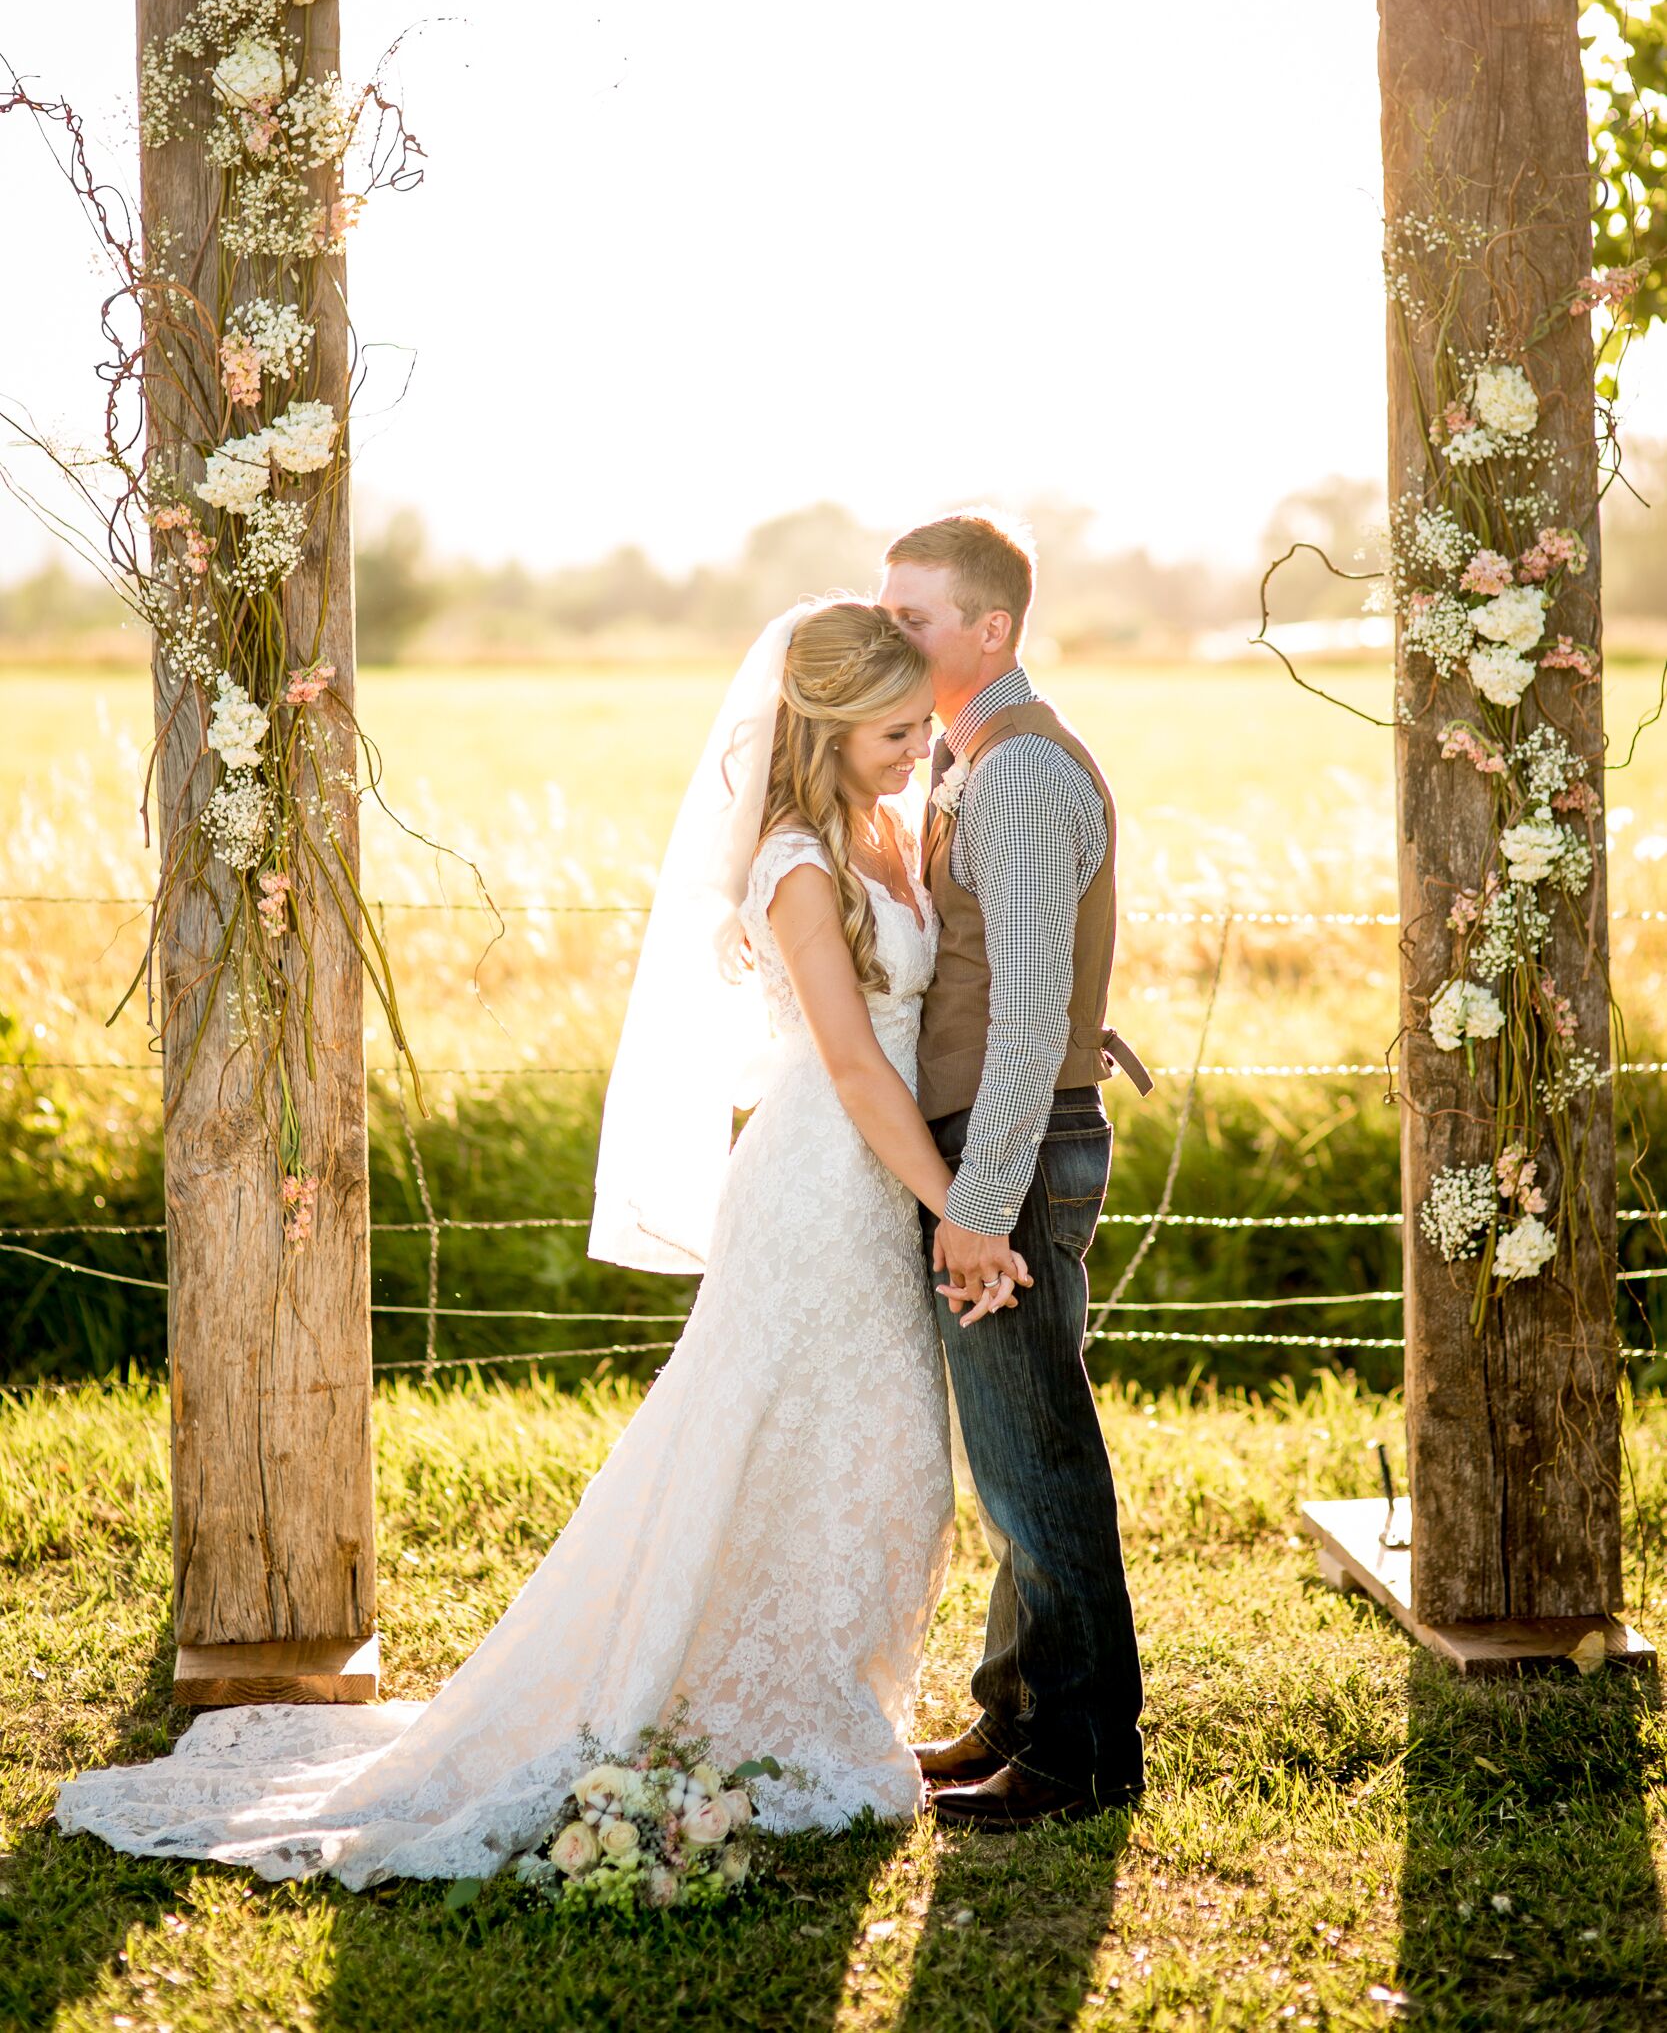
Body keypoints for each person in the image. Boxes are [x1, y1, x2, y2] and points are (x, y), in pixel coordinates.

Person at [54, 601, 1004, 1885]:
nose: (915, 747)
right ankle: (732, 1705)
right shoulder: (795, 864)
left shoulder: (894, 825)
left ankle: (817, 1695)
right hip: (820, 1182)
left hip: (880, 1173)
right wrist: (956, 1202)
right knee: (774, 1429)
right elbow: (844, 1058)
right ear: (825, 730)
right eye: (892, 731)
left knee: (877, 1443)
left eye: (918, 726)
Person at [879, 513, 1150, 1828]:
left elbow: (1029, 1012)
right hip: (1006, 1131)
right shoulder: (969, 758)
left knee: (1036, 1451)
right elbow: (1021, 967)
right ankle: (1013, 1709)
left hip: (1014, 1151)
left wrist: (975, 1207)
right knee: (1011, 1452)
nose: (893, 636)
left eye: (914, 617)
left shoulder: (1022, 773)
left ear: (990, 629)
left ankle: (1081, 1753)